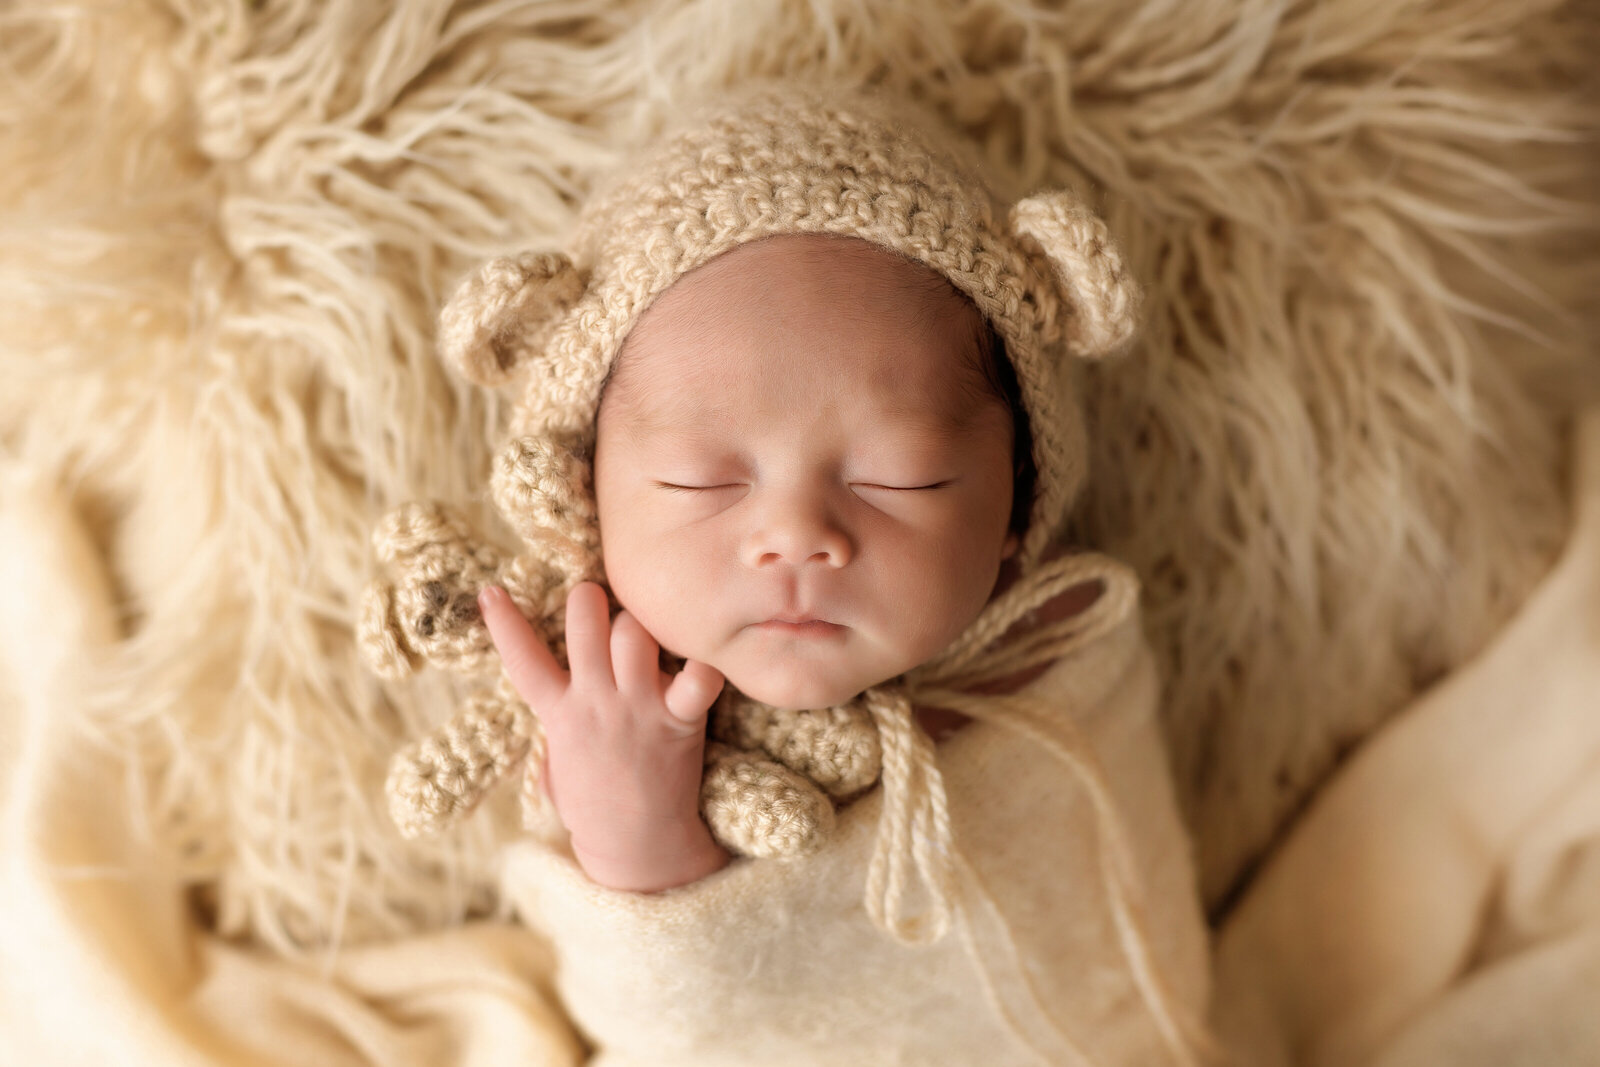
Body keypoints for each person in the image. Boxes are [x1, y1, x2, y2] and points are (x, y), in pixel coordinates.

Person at [442, 82, 1213, 1066]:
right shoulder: (602, 714)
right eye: (701, 478)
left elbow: (1132, 968)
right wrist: (632, 837)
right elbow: (671, 1032)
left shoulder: (1067, 656)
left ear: (1018, 500)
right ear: (584, 497)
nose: (797, 536)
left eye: (901, 476)